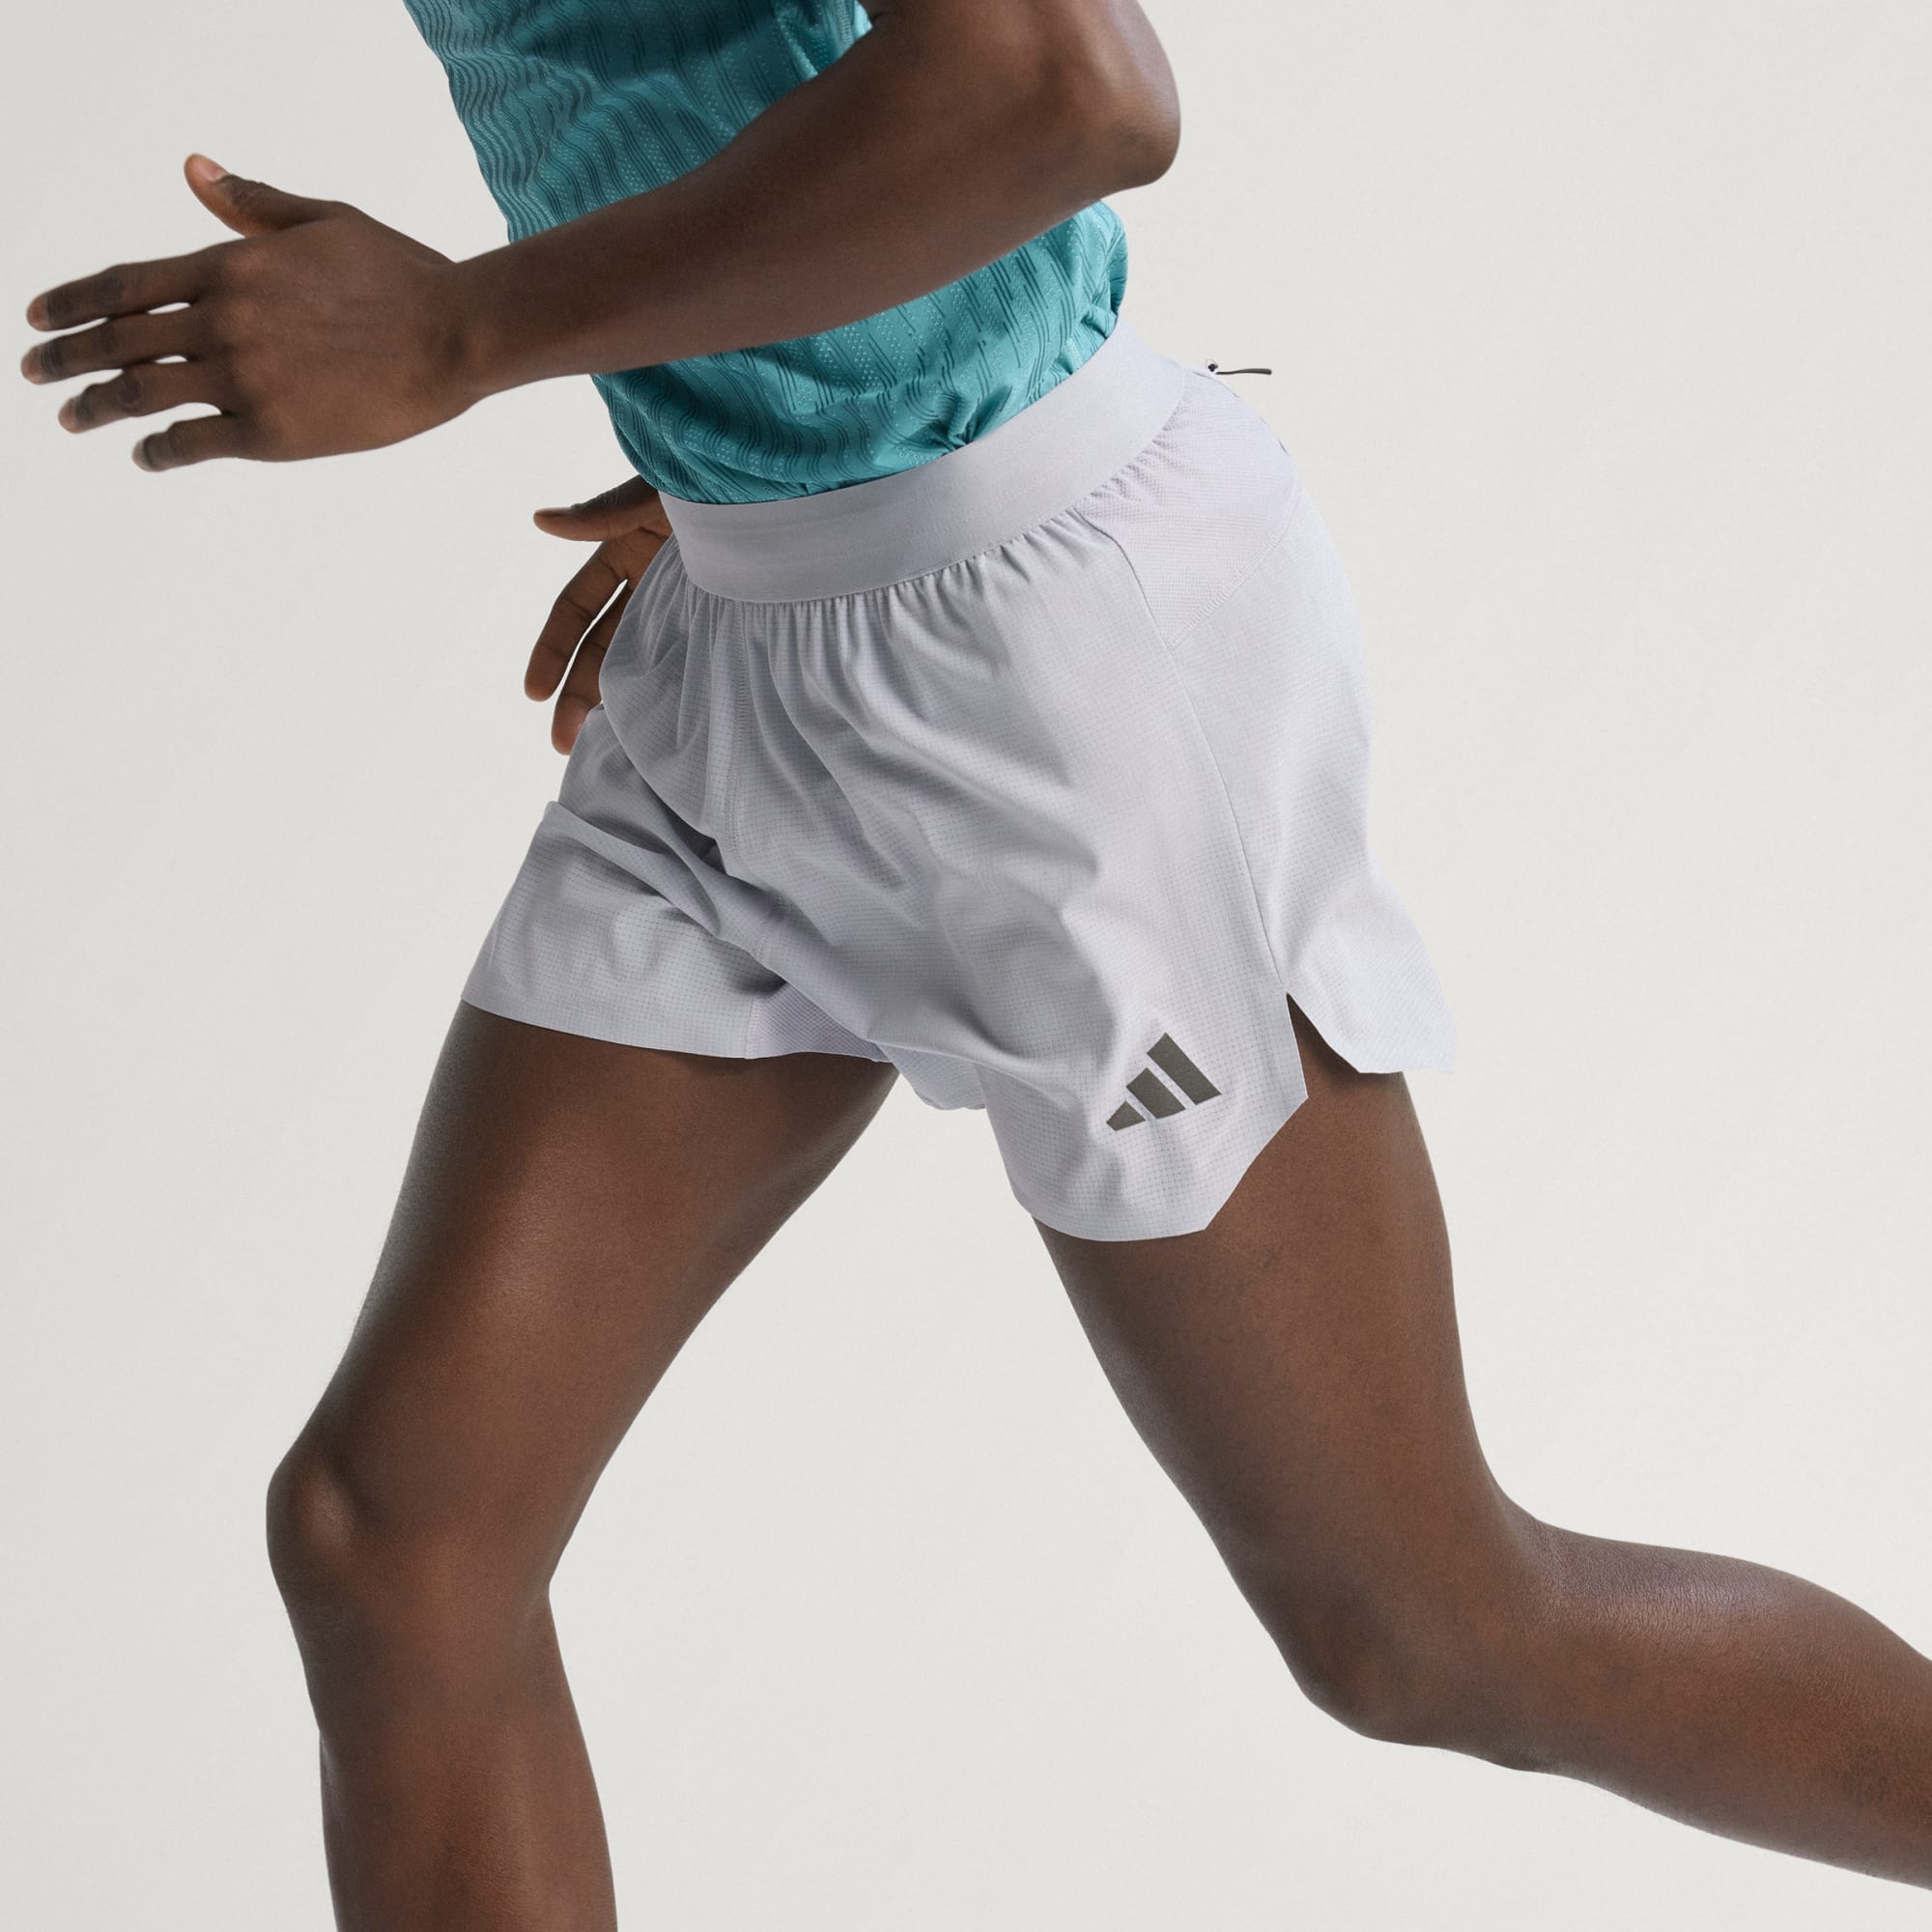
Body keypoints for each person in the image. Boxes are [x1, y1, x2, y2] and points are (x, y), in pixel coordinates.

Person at [20, 0, 1931, 1922]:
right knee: (394, 1541)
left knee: (1417, 1631)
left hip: (1047, 668)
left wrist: (461, 332)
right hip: (742, 635)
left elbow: (1064, 88)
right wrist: (752, 410)